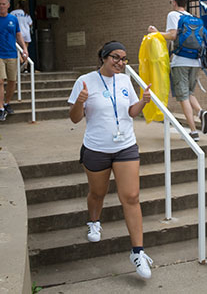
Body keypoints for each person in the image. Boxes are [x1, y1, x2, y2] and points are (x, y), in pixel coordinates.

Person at [67, 41, 154, 279]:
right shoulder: (85, 81)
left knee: (132, 197)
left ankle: (138, 252)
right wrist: (80, 101)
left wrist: (144, 101)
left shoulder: (125, 80)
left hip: (125, 145)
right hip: (97, 148)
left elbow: (130, 112)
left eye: (125, 59)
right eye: (116, 57)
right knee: (98, 193)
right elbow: (75, 119)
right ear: (104, 57)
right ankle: (94, 221)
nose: (121, 63)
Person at [147, 0, 207, 142]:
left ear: (174, 2)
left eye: (171, 2)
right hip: (195, 61)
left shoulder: (173, 15)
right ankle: (200, 112)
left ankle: (193, 132)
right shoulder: (192, 17)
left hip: (180, 61)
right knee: (189, 92)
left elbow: (173, 35)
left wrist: (156, 33)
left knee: (182, 97)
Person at [10, 0, 33, 73]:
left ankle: (21, 61)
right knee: (25, 50)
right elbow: (30, 24)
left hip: (17, 33)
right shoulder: (27, 14)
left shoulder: (13, 13)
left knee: (16, 50)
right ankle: (25, 68)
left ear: (18, 5)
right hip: (26, 34)